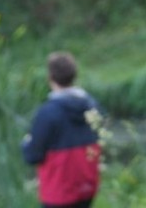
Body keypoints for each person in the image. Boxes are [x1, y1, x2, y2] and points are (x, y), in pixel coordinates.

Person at [22, 52, 102, 208]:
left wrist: (26, 143)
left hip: (58, 194)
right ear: (74, 75)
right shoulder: (92, 106)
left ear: (50, 77)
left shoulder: (47, 113)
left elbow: (32, 156)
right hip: (87, 187)